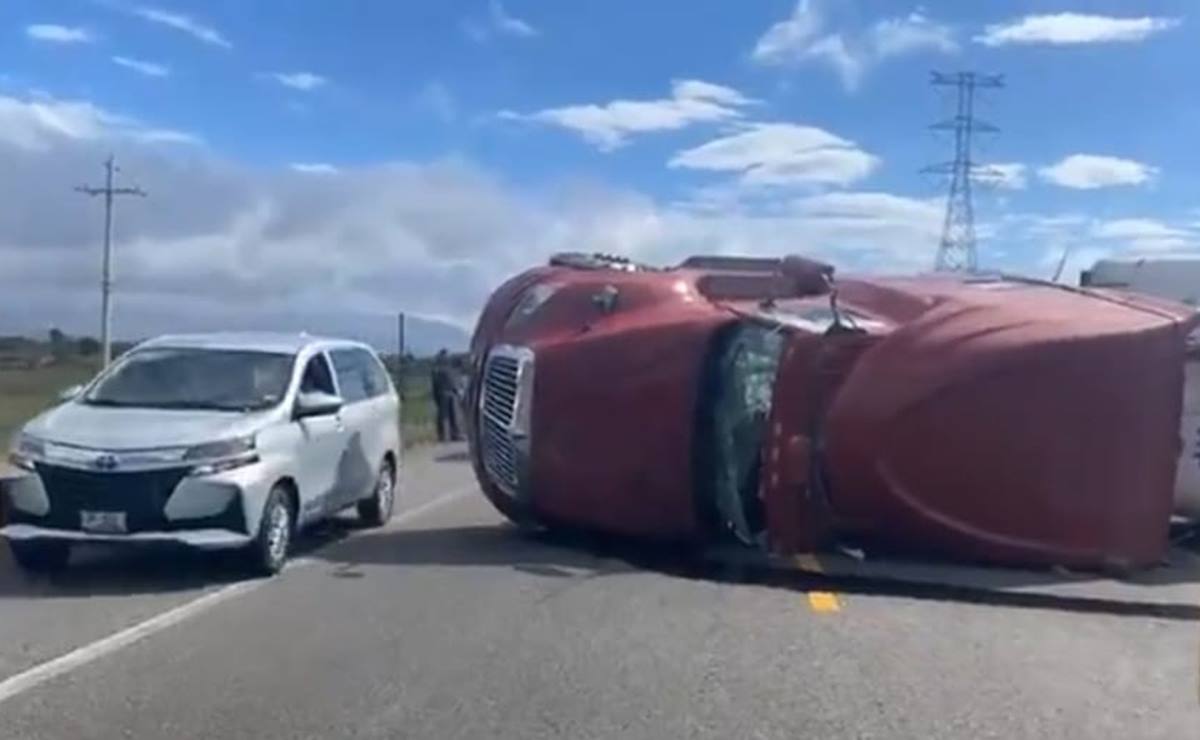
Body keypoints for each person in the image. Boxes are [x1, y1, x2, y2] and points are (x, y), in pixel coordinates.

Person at [431, 349, 460, 442]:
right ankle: (442, 435)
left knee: (452, 415)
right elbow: (436, 385)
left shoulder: (446, 369)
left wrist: (455, 390)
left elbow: (452, 382)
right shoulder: (438, 370)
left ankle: (454, 434)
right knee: (443, 416)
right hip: (443, 394)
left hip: (448, 393)